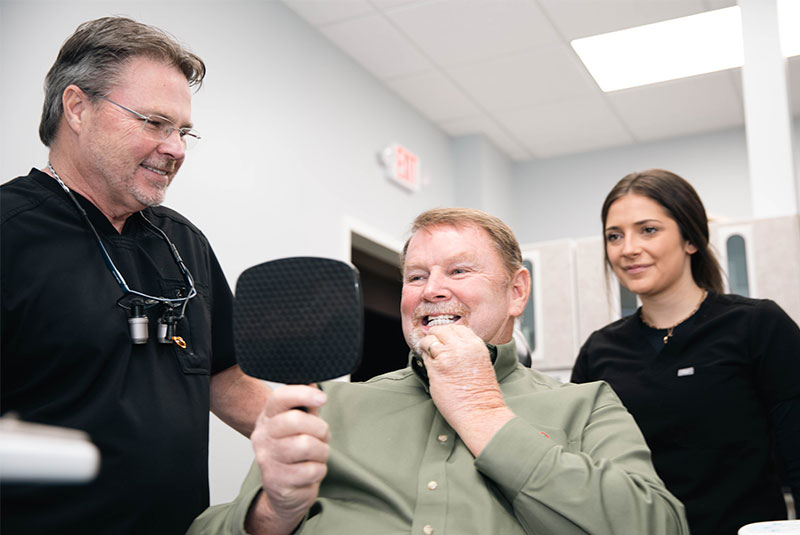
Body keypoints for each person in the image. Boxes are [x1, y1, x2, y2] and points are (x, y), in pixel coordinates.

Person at [187, 207, 689, 535]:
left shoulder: (586, 404)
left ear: (517, 292)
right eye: (417, 276)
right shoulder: (330, 408)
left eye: (459, 271)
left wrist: (483, 412)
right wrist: (272, 513)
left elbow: (658, 525)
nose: (432, 290)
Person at [0, 17, 269, 534]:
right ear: (77, 107)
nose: (177, 149)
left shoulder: (183, 242)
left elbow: (224, 377)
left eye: (184, 131)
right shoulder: (11, 231)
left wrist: (324, 435)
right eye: (155, 123)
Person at [571, 169, 800, 535]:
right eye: (615, 236)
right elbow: (582, 473)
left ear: (690, 239)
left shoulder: (757, 325)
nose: (628, 249)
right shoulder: (599, 351)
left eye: (648, 230)